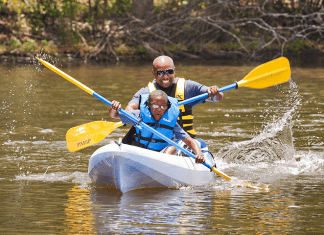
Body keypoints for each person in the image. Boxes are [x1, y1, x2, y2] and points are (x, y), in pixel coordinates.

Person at [123, 55, 224, 145]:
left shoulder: (188, 87)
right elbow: (129, 109)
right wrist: (132, 114)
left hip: (184, 142)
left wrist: (215, 92)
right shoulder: (145, 92)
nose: (166, 76)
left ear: (174, 70)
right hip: (157, 143)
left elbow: (217, 99)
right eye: (160, 73)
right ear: (154, 73)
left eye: (169, 72)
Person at [109, 90, 205, 164]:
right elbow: (114, 115)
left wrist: (199, 154)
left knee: (172, 148)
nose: (159, 109)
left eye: (163, 107)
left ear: (167, 107)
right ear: (148, 105)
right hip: (139, 152)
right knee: (111, 144)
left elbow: (190, 141)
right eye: (155, 105)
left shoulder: (172, 123)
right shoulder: (138, 116)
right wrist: (114, 108)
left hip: (161, 156)